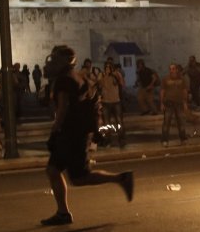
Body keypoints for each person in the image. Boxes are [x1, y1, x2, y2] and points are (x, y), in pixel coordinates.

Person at [40, 45, 132, 227]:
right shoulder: (77, 77)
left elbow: (63, 109)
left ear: (65, 61)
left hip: (71, 135)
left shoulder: (65, 80)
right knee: (55, 170)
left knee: (79, 177)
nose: (51, 61)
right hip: (76, 133)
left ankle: (121, 179)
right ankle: (63, 212)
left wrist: (54, 131)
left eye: (55, 57)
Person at [160, 63, 189, 146]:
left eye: (173, 69)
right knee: (166, 122)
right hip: (169, 103)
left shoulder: (182, 79)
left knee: (181, 122)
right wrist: (161, 103)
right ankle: (164, 140)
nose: (171, 71)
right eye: (170, 69)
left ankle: (183, 139)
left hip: (179, 103)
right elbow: (162, 91)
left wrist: (185, 102)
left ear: (176, 70)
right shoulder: (165, 79)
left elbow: (184, 91)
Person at [99, 62, 126, 148]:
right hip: (106, 102)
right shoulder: (102, 76)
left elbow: (122, 83)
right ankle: (108, 140)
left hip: (116, 101)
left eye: (109, 67)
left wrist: (117, 75)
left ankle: (121, 140)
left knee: (119, 121)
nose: (107, 69)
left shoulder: (116, 75)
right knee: (107, 122)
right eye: (106, 67)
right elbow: (98, 85)